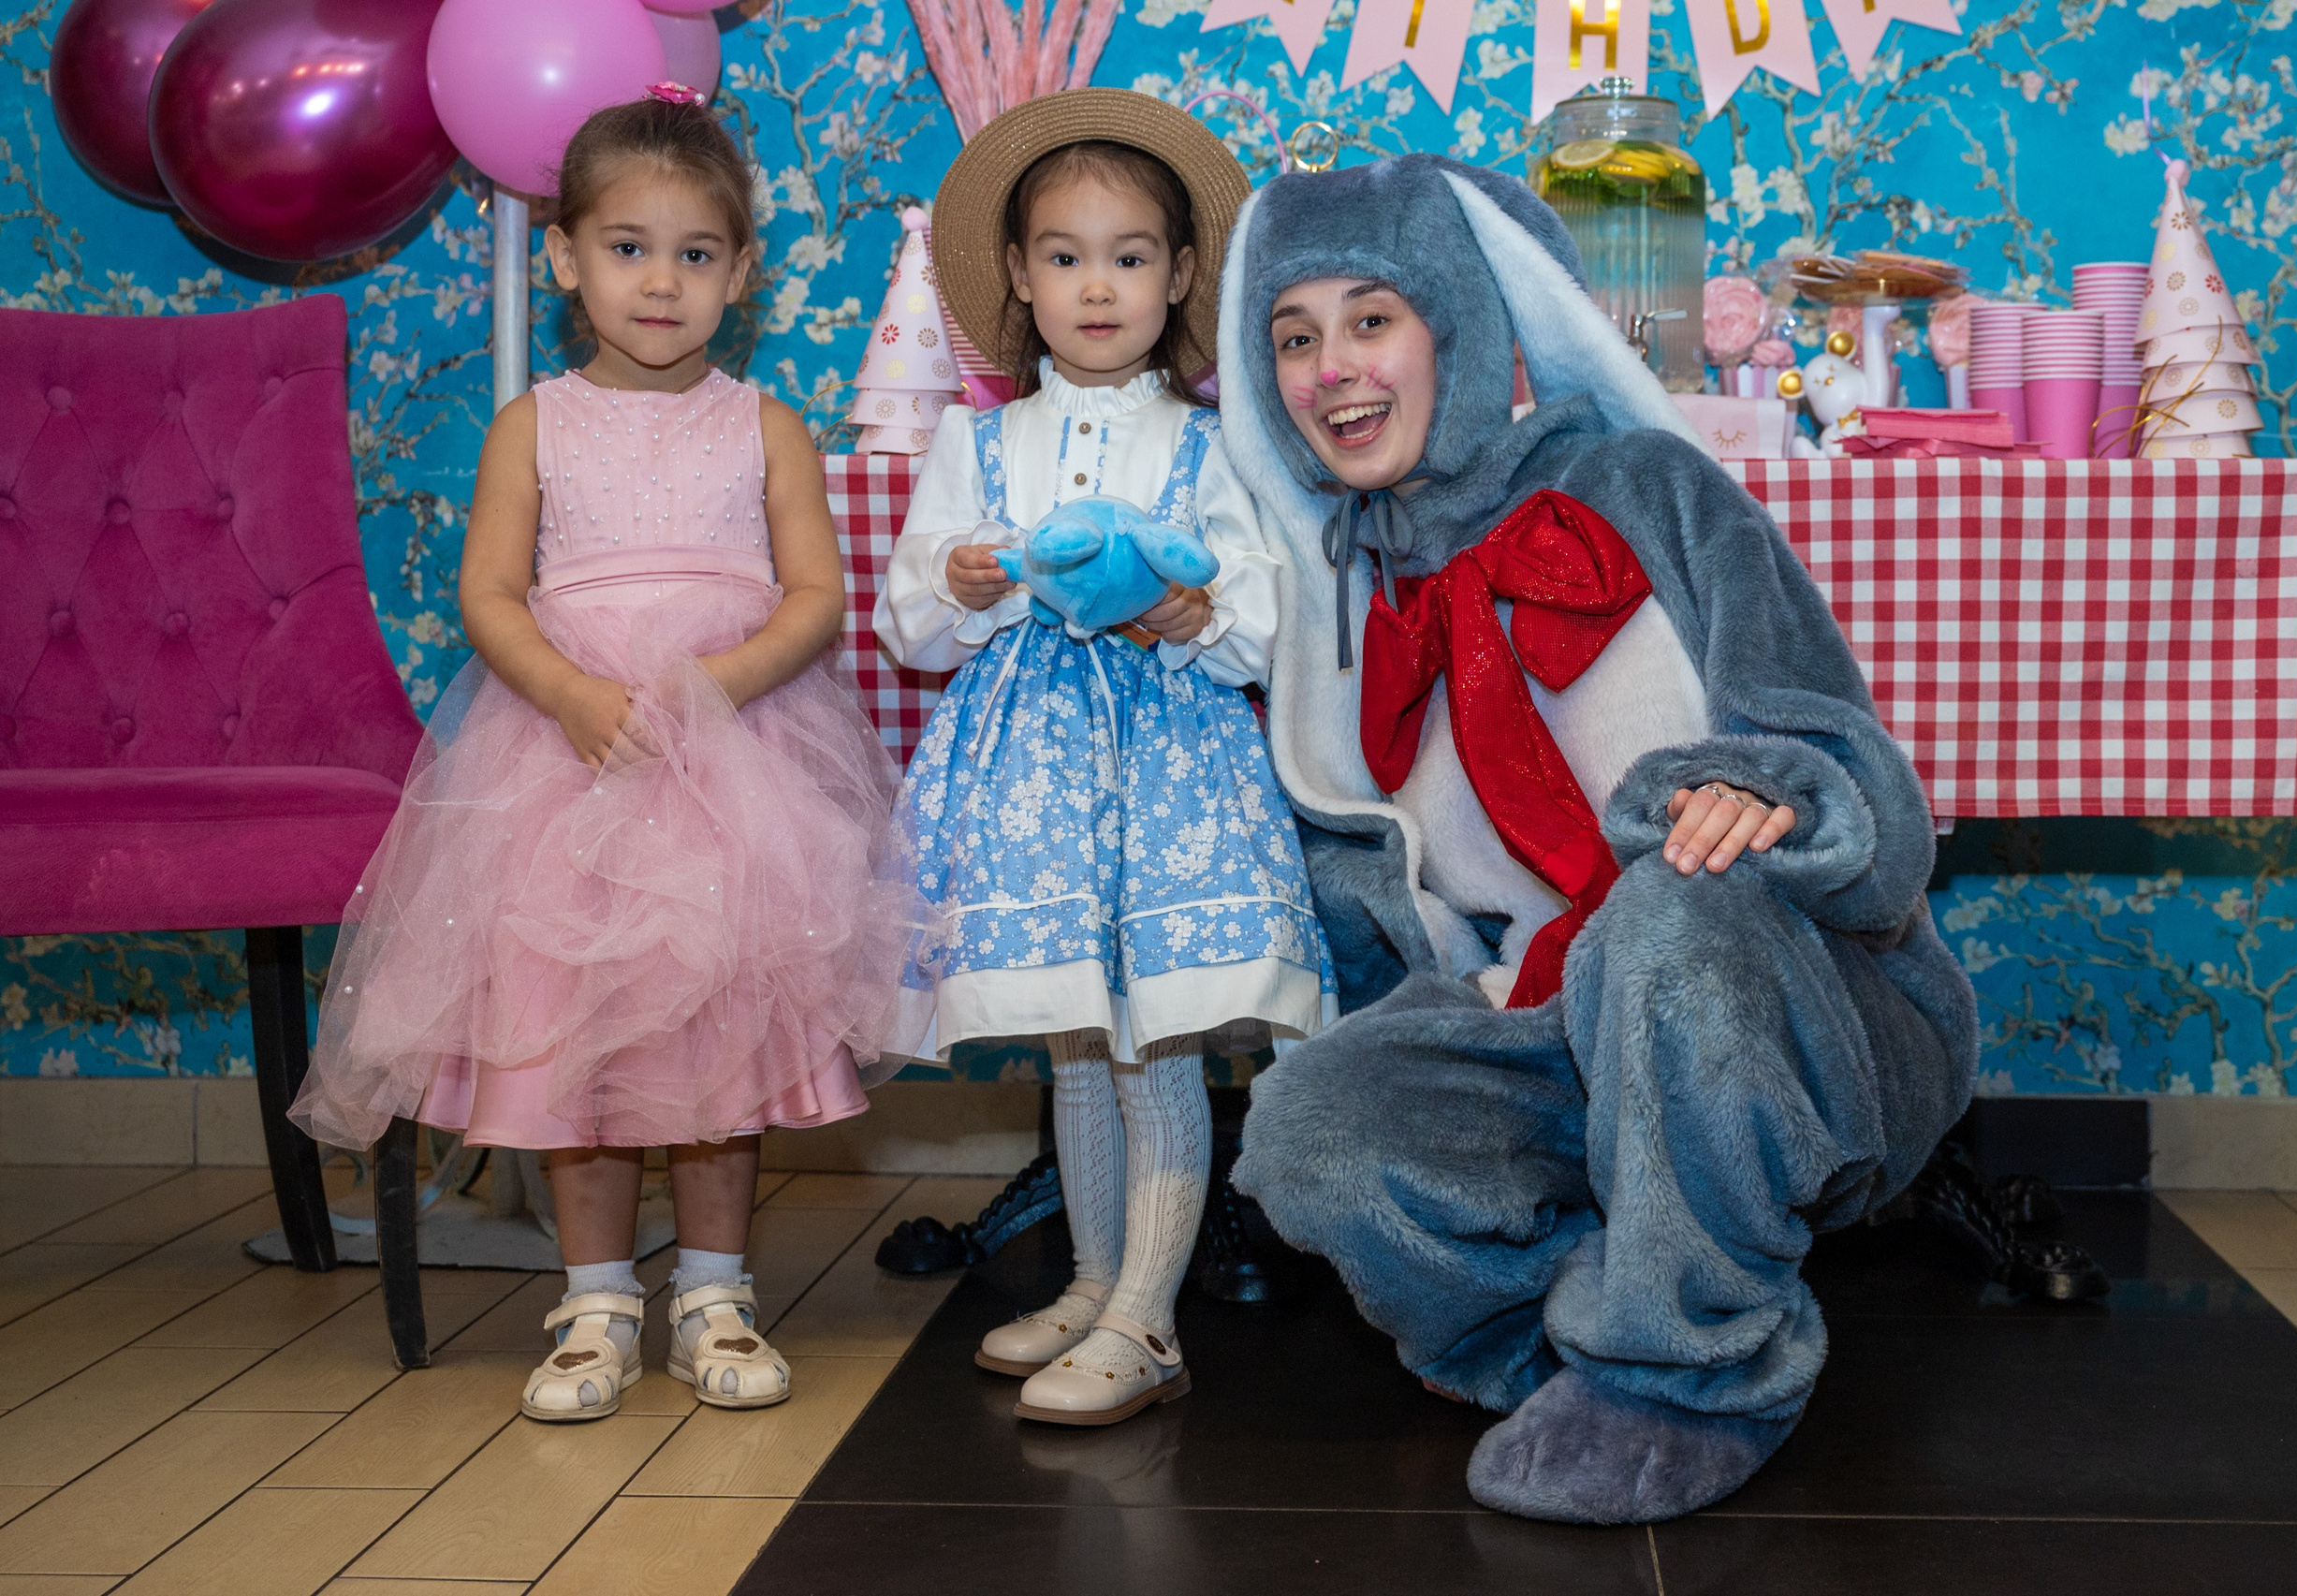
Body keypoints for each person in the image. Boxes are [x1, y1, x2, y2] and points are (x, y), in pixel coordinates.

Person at [1216, 155, 1978, 1522]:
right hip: (1563, 1031)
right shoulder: (1340, 606)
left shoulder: (1646, 484)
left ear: (1460, 311)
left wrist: (1767, 793)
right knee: (1308, 1127)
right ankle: (1585, 1323)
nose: (1331, 368)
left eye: (1371, 316)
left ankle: (1687, 1373)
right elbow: (1386, 916)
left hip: (1804, 1006)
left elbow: (1858, 771)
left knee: (1664, 908)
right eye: (1292, 336)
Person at [289, 86, 916, 1424]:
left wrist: (716, 683)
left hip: (729, 765)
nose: (662, 282)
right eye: (628, 247)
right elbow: (490, 597)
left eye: (697, 254)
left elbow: (814, 597)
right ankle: (593, 1297)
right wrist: (571, 695)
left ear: (742, 272)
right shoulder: (534, 426)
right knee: (575, 1041)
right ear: (566, 256)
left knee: (712, 1039)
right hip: (563, 770)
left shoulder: (765, 427)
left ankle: (713, 1286)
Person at [874, 89, 1333, 1428]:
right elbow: (912, 620)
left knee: (1158, 1041)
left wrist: (1195, 610)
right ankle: (1094, 1277)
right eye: (1065, 256)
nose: (1096, 286)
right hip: (1034, 791)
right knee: (1075, 1038)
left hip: (1171, 787)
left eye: (1130, 256)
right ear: (1018, 275)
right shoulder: (976, 440)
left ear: (1180, 275)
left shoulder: (1210, 442)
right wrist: (964, 575)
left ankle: (1150, 1316)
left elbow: (1261, 621)